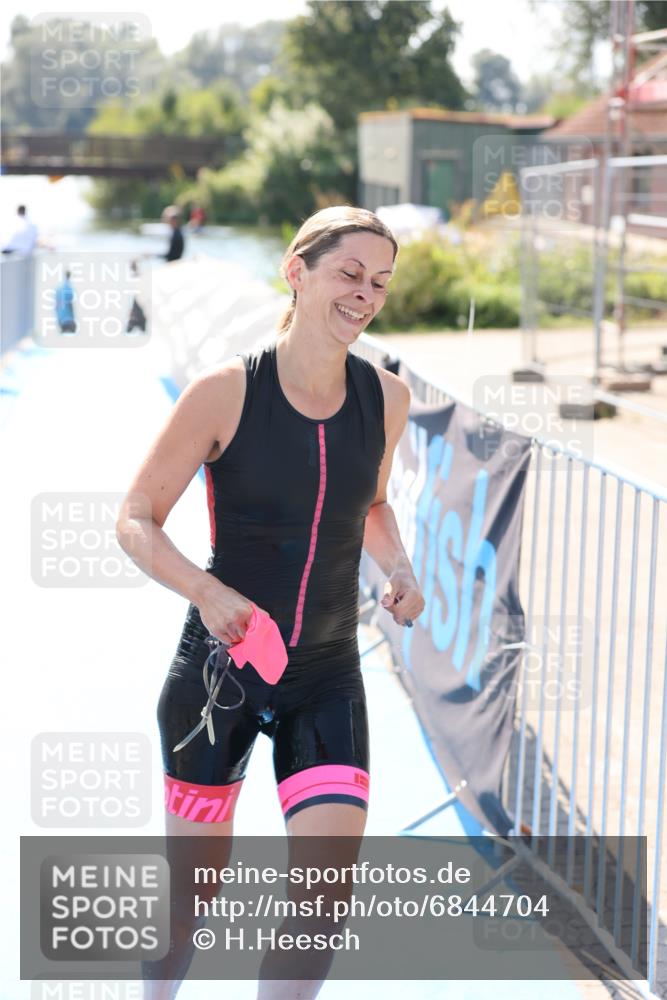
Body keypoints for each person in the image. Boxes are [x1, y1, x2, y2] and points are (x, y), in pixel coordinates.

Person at [116, 204, 425, 1000]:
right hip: (218, 677)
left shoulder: (387, 398)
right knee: (189, 903)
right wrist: (205, 590)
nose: (364, 295)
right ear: (296, 271)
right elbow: (135, 519)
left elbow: (372, 503)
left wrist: (398, 566)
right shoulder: (225, 392)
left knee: (322, 904)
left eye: (380, 282)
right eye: (348, 274)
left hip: (326, 677)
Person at [55, 269, 76, 333]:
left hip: (63, 318)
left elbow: (57, 305)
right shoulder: (68, 288)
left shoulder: (60, 289)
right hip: (67, 319)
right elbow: (70, 303)